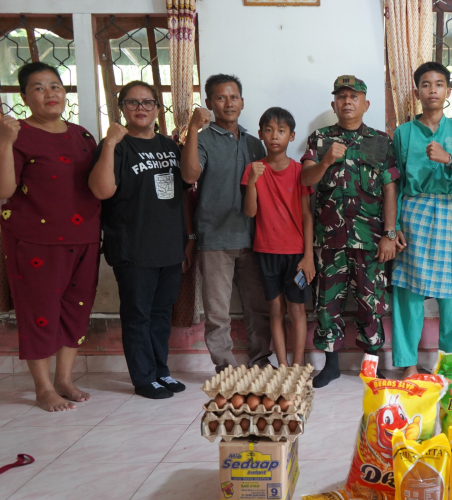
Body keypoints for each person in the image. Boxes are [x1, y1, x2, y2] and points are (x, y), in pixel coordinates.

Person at [0, 62, 100, 411]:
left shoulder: (83, 135)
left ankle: (64, 379)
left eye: (55, 86)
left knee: (76, 311)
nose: (50, 93)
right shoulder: (15, 135)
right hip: (34, 239)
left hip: (85, 235)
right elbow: (5, 189)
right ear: (25, 96)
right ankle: (43, 388)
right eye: (39, 88)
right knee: (39, 312)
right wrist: (4, 142)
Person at [89, 80, 190, 399]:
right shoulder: (116, 146)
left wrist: (185, 241)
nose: (141, 108)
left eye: (148, 102)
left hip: (169, 248)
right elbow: (101, 190)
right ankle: (143, 377)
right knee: (137, 315)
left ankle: (161, 371)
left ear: (158, 109)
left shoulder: (170, 146)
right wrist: (108, 143)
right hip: (132, 247)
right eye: (132, 103)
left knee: (161, 315)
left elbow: (183, 192)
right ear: (121, 108)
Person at [300, 75, 401, 388]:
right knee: (327, 303)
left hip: (370, 240)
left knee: (372, 303)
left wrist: (389, 233)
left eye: (354, 97)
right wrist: (327, 159)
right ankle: (330, 366)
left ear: (365, 104)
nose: (347, 102)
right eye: (341, 97)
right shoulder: (320, 139)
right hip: (330, 240)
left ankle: (372, 365)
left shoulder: (380, 140)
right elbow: (306, 180)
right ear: (334, 104)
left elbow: (389, 188)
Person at [392, 62, 452, 379]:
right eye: (426, 84)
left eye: (439, 84)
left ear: (448, 92)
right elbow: (397, 184)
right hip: (413, 215)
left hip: (448, 214)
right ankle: (409, 366)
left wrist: (448, 159)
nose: (432, 90)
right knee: (408, 294)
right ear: (417, 92)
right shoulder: (404, 133)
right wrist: (395, 227)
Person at [181, 74, 273, 372]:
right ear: (209, 103)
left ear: (242, 102)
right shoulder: (204, 139)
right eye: (221, 98)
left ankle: (260, 360)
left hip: (253, 239)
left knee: (258, 308)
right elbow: (189, 176)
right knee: (217, 313)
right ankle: (225, 367)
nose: (228, 103)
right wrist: (193, 130)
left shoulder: (255, 143)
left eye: (234, 97)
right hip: (215, 239)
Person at [242, 107, 315, 367]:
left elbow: (307, 215)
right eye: (269, 130)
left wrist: (308, 256)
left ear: (291, 136)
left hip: (296, 254)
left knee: (297, 309)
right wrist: (252, 181)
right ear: (261, 134)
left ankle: (297, 365)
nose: (275, 136)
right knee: (275, 309)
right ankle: (282, 365)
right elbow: (250, 212)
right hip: (266, 251)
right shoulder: (254, 169)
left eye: (281, 131)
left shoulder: (300, 172)